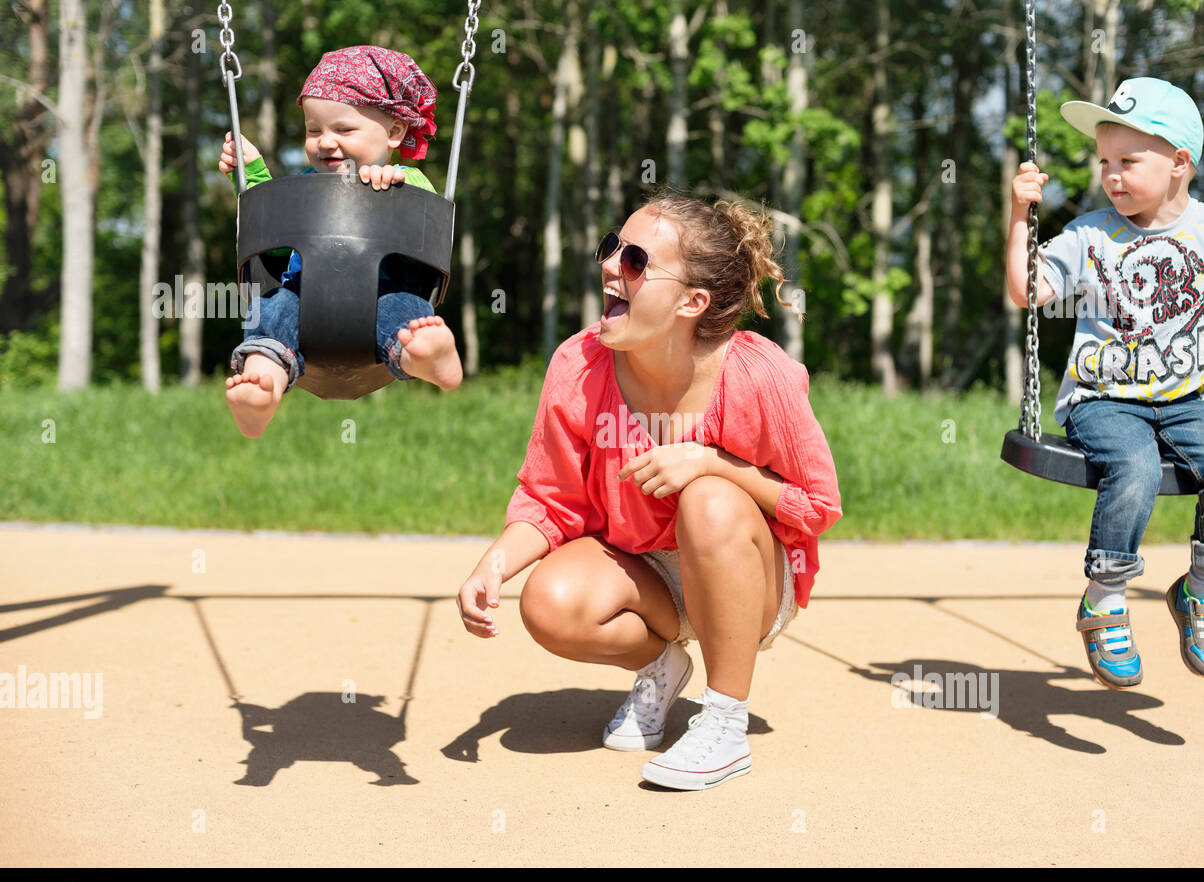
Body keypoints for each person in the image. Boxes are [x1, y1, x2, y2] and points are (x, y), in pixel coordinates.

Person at [457, 194, 842, 789]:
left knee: (708, 499)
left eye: (636, 259)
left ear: (693, 302)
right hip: (645, 573)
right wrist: (494, 563)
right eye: (612, 245)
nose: (612, 264)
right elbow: (551, 499)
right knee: (548, 602)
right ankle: (662, 667)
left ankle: (723, 723)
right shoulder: (577, 364)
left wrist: (713, 463)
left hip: (750, 576)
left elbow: (816, 507)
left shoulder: (759, 375)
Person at [1006, 77, 1204, 688]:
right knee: (1135, 467)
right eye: (1105, 161)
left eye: (1128, 161)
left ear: (1179, 164)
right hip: (1103, 401)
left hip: (1184, 402)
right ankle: (1104, 599)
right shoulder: (1091, 233)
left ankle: (1203, 590)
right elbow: (1026, 290)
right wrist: (1019, 214)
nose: (1112, 175)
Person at [218, 45, 463, 437]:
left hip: (382, 300)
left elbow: (424, 205)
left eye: (344, 130)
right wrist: (251, 173)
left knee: (406, 316)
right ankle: (262, 388)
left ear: (395, 132)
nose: (326, 142)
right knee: (270, 312)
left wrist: (396, 182)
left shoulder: (403, 180)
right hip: (302, 302)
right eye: (314, 130)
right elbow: (275, 243)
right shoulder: (303, 187)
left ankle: (429, 357)